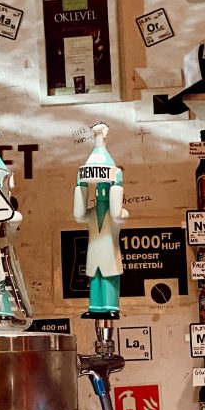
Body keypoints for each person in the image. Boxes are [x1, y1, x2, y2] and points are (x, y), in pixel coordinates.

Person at [73, 122, 128, 317]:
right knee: (95, 281)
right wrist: (80, 187)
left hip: (109, 254)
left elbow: (115, 213)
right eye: (99, 188)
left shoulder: (121, 213)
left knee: (109, 280)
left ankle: (110, 307)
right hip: (94, 253)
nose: (101, 191)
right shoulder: (91, 212)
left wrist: (117, 185)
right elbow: (78, 215)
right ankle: (95, 307)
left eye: (105, 187)